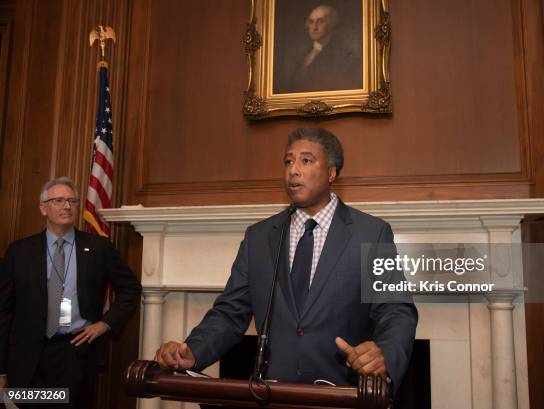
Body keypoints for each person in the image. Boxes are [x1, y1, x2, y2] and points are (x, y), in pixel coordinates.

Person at [155, 128, 417, 394]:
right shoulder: (259, 238)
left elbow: (396, 311)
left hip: (342, 395)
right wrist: (193, 351)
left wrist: (384, 353)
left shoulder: (371, 233)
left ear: (331, 172)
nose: (293, 170)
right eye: (288, 161)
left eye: (306, 160)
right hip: (272, 395)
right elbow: (229, 313)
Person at [0, 177, 142, 408]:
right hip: (27, 359)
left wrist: (104, 324)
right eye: (58, 200)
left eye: (72, 201)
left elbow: (131, 288)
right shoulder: (19, 252)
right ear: (43, 208)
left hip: (75, 356)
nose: (67, 206)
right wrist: (1, 370)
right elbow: (3, 312)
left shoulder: (98, 247)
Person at [274, 4, 362, 94]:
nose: (314, 27)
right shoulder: (302, 54)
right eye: (311, 22)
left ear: (332, 24)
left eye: (321, 21)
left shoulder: (341, 56)